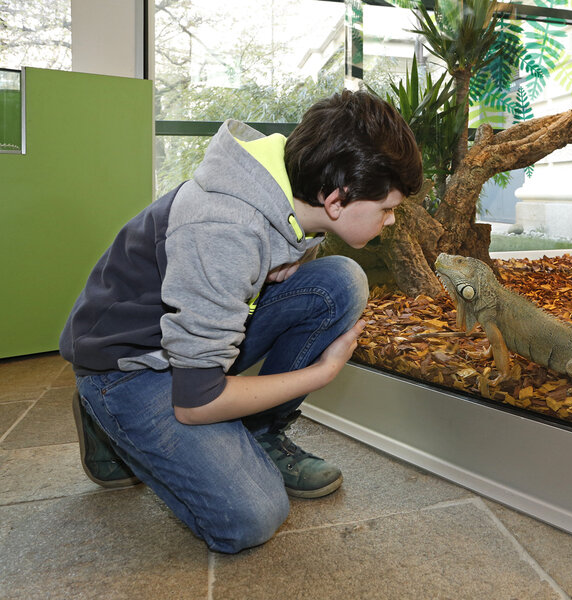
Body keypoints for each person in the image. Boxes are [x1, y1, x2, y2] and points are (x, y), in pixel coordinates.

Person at [59, 90, 423, 553]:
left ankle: (259, 432)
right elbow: (196, 402)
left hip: (185, 345)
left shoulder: (280, 188)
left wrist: (295, 253)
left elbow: (283, 236)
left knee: (339, 282)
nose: (390, 221)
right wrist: (323, 372)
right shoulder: (224, 229)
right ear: (336, 199)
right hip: (127, 366)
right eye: (387, 209)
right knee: (250, 516)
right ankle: (109, 422)